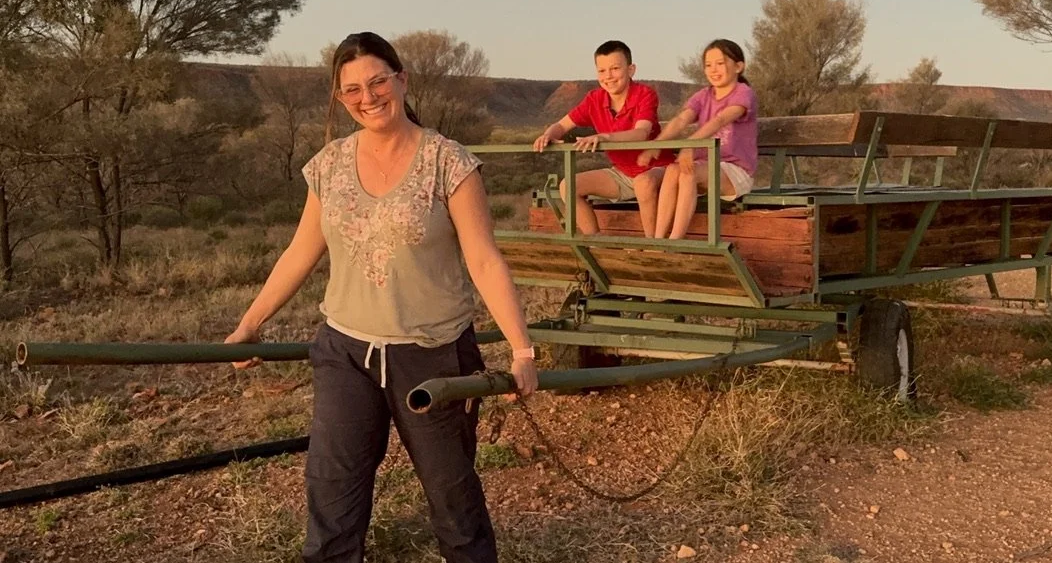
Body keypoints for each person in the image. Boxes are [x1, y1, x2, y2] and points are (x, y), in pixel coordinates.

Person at [224, 31, 537, 563]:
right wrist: (250, 322)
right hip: (345, 351)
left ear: (401, 80)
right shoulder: (329, 165)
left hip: (433, 354)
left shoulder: (448, 162)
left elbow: (484, 260)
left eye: (377, 82)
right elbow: (301, 251)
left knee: (453, 500)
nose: (368, 97)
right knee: (333, 497)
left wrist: (522, 350)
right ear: (340, 99)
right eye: (352, 90)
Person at [532, 40, 674, 237]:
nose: (608, 76)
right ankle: (596, 242)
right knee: (568, 185)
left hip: (658, 169)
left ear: (631, 69)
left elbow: (641, 133)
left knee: (644, 182)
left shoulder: (645, 94)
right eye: (602, 71)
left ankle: (654, 246)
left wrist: (604, 137)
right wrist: (548, 135)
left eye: (615, 68)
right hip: (623, 173)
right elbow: (562, 125)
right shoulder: (594, 99)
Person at [640, 39, 758, 239]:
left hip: (735, 170)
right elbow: (680, 120)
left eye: (720, 63)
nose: (714, 69)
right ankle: (657, 239)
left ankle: (675, 240)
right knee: (672, 169)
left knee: (688, 172)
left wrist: (690, 146)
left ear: (739, 66)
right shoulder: (703, 95)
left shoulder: (743, 93)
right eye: (708, 65)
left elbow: (720, 120)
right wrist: (656, 145)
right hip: (706, 166)